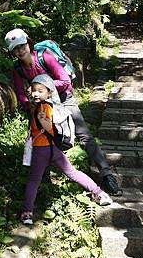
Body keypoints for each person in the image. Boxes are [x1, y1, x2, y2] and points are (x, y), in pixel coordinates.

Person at [5, 28, 123, 196]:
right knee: (40, 138)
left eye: (22, 45)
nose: (20, 51)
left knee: (84, 135)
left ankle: (107, 175)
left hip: (63, 99)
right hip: (42, 104)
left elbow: (65, 80)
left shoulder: (44, 56)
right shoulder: (18, 69)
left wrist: (44, 88)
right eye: (15, 49)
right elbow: (20, 93)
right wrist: (29, 104)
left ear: (28, 43)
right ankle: (42, 183)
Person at [20, 74, 112, 225]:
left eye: (40, 90)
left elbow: (49, 127)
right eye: (34, 90)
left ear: (49, 92)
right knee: (72, 173)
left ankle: (27, 213)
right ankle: (99, 193)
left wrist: (44, 121)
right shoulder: (49, 105)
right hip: (54, 149)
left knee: (33, 181)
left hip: (42, 149)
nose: (36, 93)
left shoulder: (44, 107)